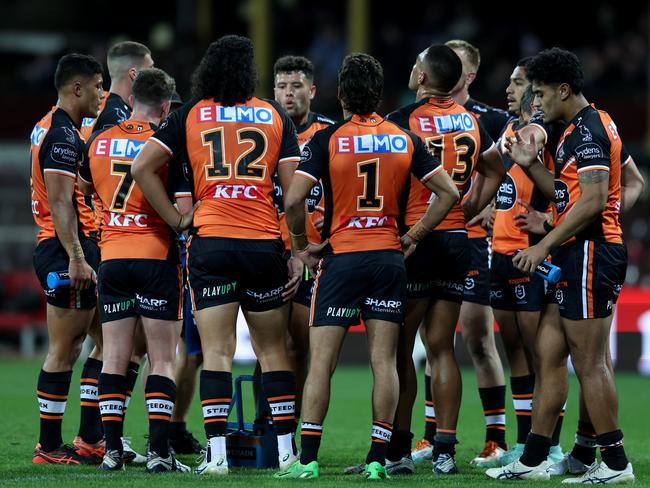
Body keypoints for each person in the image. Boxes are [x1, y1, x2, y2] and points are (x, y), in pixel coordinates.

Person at [276, 52, 459, 481]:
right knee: (385, 362)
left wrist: (302, 247)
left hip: (342, 259)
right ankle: (379, 458)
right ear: (379, 94)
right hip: (387, 259)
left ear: (339, 93)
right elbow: (448, 193)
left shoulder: (327, 139)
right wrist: (412, 236)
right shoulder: (403, 137)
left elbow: (293, 200)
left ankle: (307, 460)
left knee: (321, 364)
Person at [131, 35, 303, 476]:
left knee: (217, 352)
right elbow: (294, 194)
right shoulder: (273, 113)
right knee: (272, 350)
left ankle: (218, 457)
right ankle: (286, 452)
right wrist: (298, 248)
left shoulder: (190, 112)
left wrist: (174, 218)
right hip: (264, 243)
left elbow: (141, 168)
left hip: (211, 243)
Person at [487, 47, 634, 483]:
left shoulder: (587, 133)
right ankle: (534, 459)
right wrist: (530, 167)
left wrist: (541, 245)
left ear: (564, 90)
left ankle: (615, 463)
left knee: (591, 363)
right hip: (575, 252)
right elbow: (567, 195)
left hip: (591, 251)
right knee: (550, 352)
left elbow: (590, 202)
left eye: (543, 93)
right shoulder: (578, 128)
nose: (539, 102)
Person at [382, 45, 504, 475]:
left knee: (401, 348)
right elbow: (495, 168)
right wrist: (470, 210)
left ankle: (397, 448)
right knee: (441, 347)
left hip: (416, 240)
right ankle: (446, 451)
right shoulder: (472, 120)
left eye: (415, 66)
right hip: (457, 240)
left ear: (421, 78)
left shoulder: (402, 120)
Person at [79, 67, 191, 473]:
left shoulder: (100, 140)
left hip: (112, 257)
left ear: (130, 100)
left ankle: (110, 451)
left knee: (114, 356)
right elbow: (182, 210)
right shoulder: (166, 145)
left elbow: (87, 188)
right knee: (162, 359)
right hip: (155, 254)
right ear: (165, 106)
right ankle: (160, 453)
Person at [75, 39, 154, 465]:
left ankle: (101, 437)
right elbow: (92, 185)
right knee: (116, 347)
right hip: (116, 242)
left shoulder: (106, 116)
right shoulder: (113, 119)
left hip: (107, 243)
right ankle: (98, 437)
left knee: (115, 345)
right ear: (135, 75)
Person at [30, 53, 104, 465]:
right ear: (77, 87)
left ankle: (91, 437)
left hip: (73, 245)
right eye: (96, 85)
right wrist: (76, 257)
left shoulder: (50, 127)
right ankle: (49, 445)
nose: (100, 94)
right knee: (67, 347)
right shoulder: (61, 135)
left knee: (113, 345)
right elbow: (60, 204)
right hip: (64, 249)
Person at [488, 70, 564, 467]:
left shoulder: (540, 131)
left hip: (529, 253)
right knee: (515, 349)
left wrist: (548, 222)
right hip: (500, 252)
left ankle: (550, 446)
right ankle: (524, 443)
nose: (509, 88)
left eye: (517, 83)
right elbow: (505, 182)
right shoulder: (507, 131)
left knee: (542, 356)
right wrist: (488, 208)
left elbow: (534, 141)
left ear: (536, 92)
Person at [272, 55, 335, 421]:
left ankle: (291, 424)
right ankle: (270, 424)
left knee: (301, 346)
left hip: (313, 253)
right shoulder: (268, 132)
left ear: (311, 90)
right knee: (271, 344)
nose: (288, 93)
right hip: (271, 249)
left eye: (296, 86)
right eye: (281, 86)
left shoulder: (328, 134)